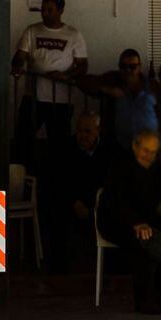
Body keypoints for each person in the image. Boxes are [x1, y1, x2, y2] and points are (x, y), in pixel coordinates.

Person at [98, 129, 161, 315]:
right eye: (145, 151)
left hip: (146, 218)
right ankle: (144, 300)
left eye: (153, 152)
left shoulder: (155, 167)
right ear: (135, 146)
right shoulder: (120, 166)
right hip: (116, 221)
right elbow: (117, 201)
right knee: (145, 243)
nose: (149, 156)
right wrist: (135, 222)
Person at [12, 0, 88, 161]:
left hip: (60, 99)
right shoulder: (32, 31)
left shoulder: (73, 34)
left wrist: (65, 76)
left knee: (59, 145)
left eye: (50, 10)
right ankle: (20, 177)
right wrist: (17, 66)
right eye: (43, 10)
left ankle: (56, 182)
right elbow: (19, 57)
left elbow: (83, 66)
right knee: (22, 140)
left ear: (61, 10)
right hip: (33, 97)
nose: (45, 13)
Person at [48, 110, 112, 272]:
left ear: (97, 131)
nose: (82, 135)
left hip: (97, 204)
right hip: (72, 201)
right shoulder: (65, 149)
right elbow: (59, 181)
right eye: (79, 131)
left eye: (88, 131)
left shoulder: (108, 151)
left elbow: (109, 183)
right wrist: (74, 202)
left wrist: (93, 205)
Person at [84, 49, 161, 149]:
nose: (128, 70)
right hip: (118, 148)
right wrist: (107, 89)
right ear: (119, 67)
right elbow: (85, 83)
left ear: (139, 67)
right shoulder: (113, 80)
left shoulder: (153, 86)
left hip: (149, 149)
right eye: (123, 67)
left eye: (132, 67)